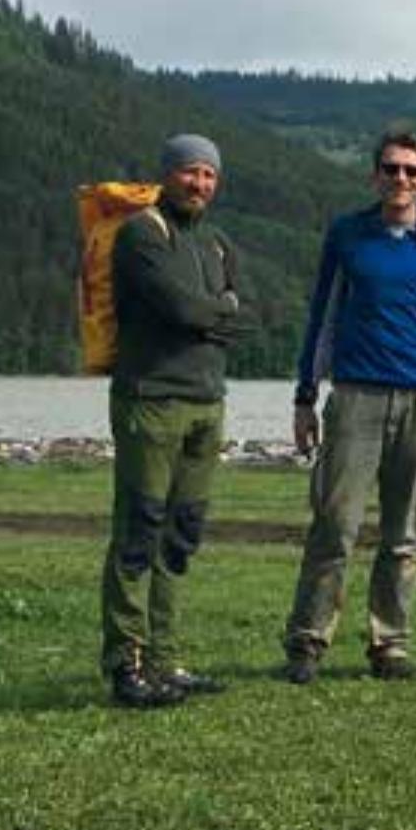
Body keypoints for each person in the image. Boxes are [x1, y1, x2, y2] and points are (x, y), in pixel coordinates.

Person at [280, 131, 416, 684]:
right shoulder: (347, 236)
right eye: (392, 169)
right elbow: (323, 316)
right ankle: (308, 641)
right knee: (334, 525)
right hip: (356, 395)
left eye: (413, 171)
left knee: (404, 532)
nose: (401, 179)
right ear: (375, 176)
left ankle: (391, 644)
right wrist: (304, 396)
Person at [99, 133, 249, 708]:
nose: (200, 184)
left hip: (207, 402)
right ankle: (126, 664)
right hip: (151, 400)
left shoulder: (216, 243)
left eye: (209, 175)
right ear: (167, 176)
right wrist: (215, 312)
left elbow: (248, 316)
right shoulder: (142, 233)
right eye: (190, 172)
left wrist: (209, 316)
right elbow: (181, 307)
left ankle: (163, 660)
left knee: (180, 534)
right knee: (139, 528)